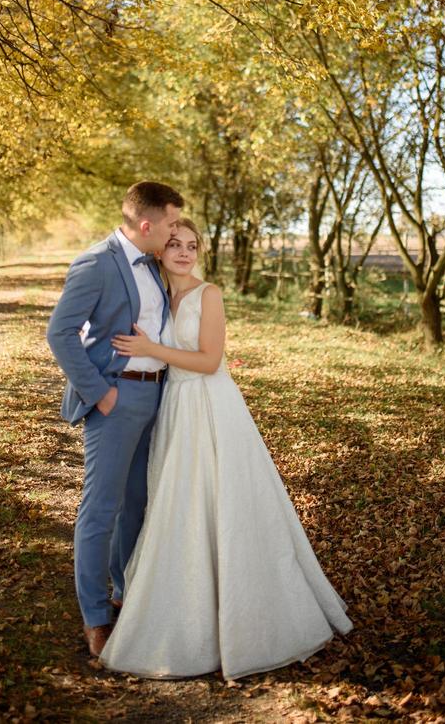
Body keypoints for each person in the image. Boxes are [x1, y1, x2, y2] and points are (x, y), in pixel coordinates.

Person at [100, 219, 352, 681]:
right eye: (174, 244)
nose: (183, 253)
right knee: (176, 503)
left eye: (192, 245)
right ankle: (181, 600)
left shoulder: (207, 294)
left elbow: (210, 360)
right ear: (159, 250)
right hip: (172, 404)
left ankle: (241, 612)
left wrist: (152, 346)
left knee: (220, 500)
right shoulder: (155, 293)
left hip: (209, 405)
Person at [46, 180, 184, 658]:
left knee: (136, 504)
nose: (174, 232)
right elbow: (60, 333)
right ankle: (95, 616)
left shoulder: (156, 265)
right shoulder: (96, 263)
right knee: (101, 509)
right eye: (169, 224)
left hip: (156, 398)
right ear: (146, 225)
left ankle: (127, 592)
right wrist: (101, 393)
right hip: (116, 398)